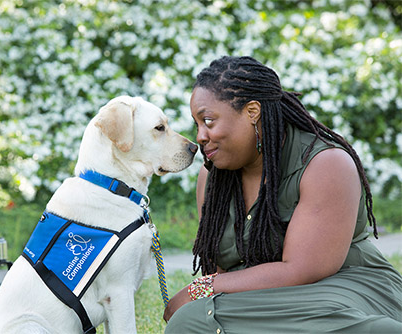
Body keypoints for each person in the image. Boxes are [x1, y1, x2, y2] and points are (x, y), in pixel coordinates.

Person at [163, 56, 402, 333]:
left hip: (343, 292)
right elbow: (220, 273)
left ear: (252, 111)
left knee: (195, 317)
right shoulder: (212, 178)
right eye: (197, 124)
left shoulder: (325, 163)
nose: (201, 136)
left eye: (208, 121)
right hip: (268, 302)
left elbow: (300, 270)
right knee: (195, 320)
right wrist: (208, 293)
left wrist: (203, 287)